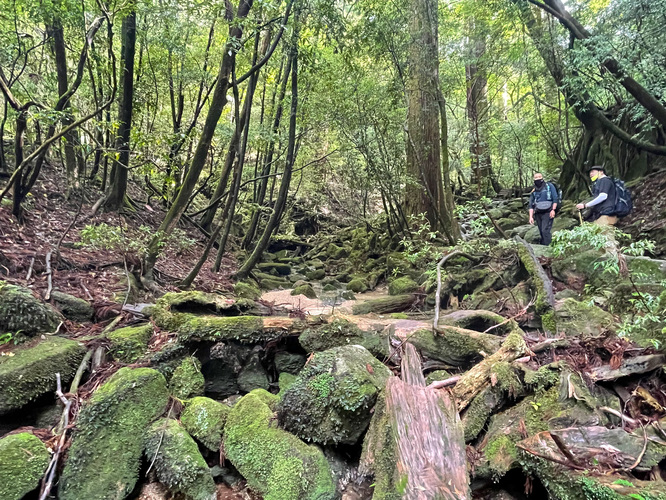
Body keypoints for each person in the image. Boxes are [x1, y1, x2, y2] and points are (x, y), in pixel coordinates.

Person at [528, 172, 559, 245]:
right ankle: (544, 247)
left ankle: (549, 248)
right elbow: (531, 204)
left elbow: (555, 198)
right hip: (538, 213)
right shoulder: (534, 190)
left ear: (542, 178)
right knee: (541, 232)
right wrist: (530, 217)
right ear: (533, 179)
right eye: (536, 177)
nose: (538, 179)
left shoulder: (549, 186)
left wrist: (553, 210)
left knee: (545, 231)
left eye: (539, 177)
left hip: (548, 212)